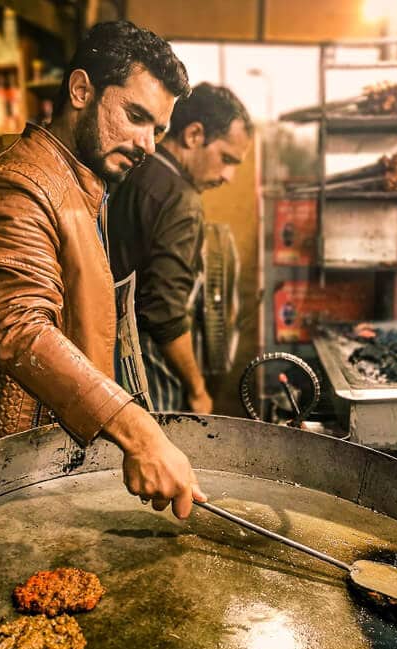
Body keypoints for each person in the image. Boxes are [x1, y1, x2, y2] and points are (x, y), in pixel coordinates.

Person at [0, 21, 206, 519]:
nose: (148, 144)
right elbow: (20, 327)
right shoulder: (18, 187)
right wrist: (140, 431)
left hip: (48, 454)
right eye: (135, 116)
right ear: (81, 89)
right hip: (1, 471)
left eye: (159, 129)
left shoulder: (84, 180)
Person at [108, 83, 252, 413]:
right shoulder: (181, 201)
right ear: (194, 135)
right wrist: (197, 388)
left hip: (107, 353)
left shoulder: (137, 170)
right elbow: (164, 311)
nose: (228, 175)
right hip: (146, 365)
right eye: (226, 159)